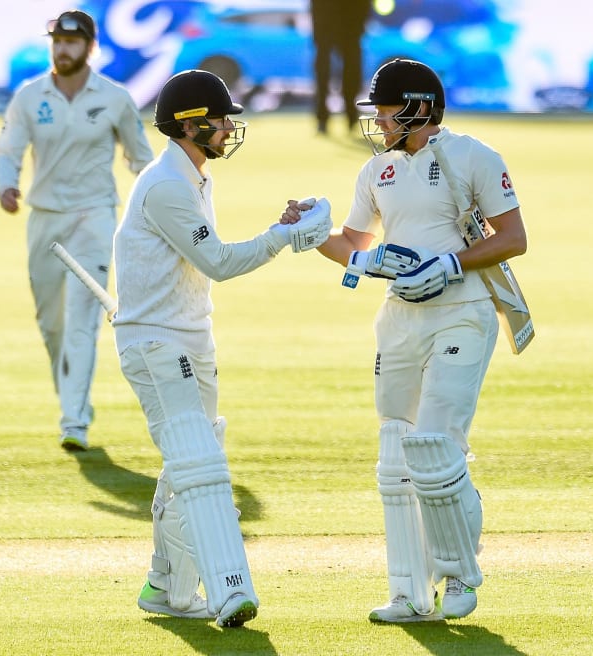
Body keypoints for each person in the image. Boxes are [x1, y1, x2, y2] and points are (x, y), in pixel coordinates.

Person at [294, 58, 528, 622]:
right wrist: (308, 234)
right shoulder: (377, 171)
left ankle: (459, 577)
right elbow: (354, 242)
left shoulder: (472, 155)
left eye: (384, 110)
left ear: (418, 107)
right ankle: (408, 591)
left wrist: (450, 263)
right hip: (398, 319)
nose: (377, 121)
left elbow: (514, 238)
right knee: (397, 454)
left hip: (462, 314)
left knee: (438, 447)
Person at [112, 69, 332, 627]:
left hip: (188, 335)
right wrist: (283, 239)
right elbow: (221, 263)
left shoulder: (195, 177)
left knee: (187, 464)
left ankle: (166, 588)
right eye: (222, 117)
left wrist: (275, 231)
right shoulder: (166, 186)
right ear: (191, 124)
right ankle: (229, 589)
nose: (231, 126)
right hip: (159, 343)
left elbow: (211, 257)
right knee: (199, 465)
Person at [0, 10, 154, 452]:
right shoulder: (29, 96)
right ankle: (74, 398)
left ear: (90, 46)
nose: (62, 49)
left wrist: (165, 201)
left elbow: (141, 159)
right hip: (45, 218)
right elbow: (8, 149)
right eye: (57, 42)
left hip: (94, 216)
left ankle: (74, 421)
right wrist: (7, 184)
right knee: (52, 324)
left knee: (83, 316)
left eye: (72, 42)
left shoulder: (115, 98)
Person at [310, 0, 370, 134]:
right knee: (327, 68)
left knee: (347, 68)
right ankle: (330, 116)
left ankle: (347, 114)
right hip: (335, 20)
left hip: (346, 21)